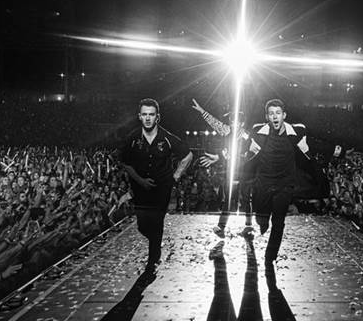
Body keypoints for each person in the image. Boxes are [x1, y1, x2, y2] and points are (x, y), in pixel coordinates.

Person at [120, 98, 193, 268]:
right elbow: (125, 162)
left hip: (162, 189)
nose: (147, 118)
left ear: (157, 117)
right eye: (144, 114)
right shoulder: (132, 138)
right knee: (142, 225)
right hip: (140, 188)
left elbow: (188, 155)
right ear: (139, 116)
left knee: (157, 222)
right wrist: (139, 180)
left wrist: (175, 176)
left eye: (151, 115)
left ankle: (153, 259)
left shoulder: (167, 138)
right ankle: (154, 246)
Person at [247, 99, 316, 265]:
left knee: (278, 221)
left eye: (278, 113)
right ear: (267, 117)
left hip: (284, 184)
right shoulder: (258, 132)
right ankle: (262, 221)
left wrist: (335, 154)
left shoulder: (297, 132)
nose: (275, 116)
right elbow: (246, 154)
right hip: (264, 183)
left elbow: (308, 154)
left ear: (284, 115)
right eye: (271, 114)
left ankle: (269, 257)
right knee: (261, 219)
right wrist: (222, 158)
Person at [191, 98, 254, 238]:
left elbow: (247, 155)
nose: (233, 124)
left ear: (242, 123)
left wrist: (222, 157)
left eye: (236, 121)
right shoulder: (227, 131)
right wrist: (202, 111)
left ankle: (249, 226)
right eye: (231, 121)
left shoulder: (246, 136)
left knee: (245, 199)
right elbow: (215, 123)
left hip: (244, 173)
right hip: (230, 172)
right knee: (228, 200)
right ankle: (221, 226)